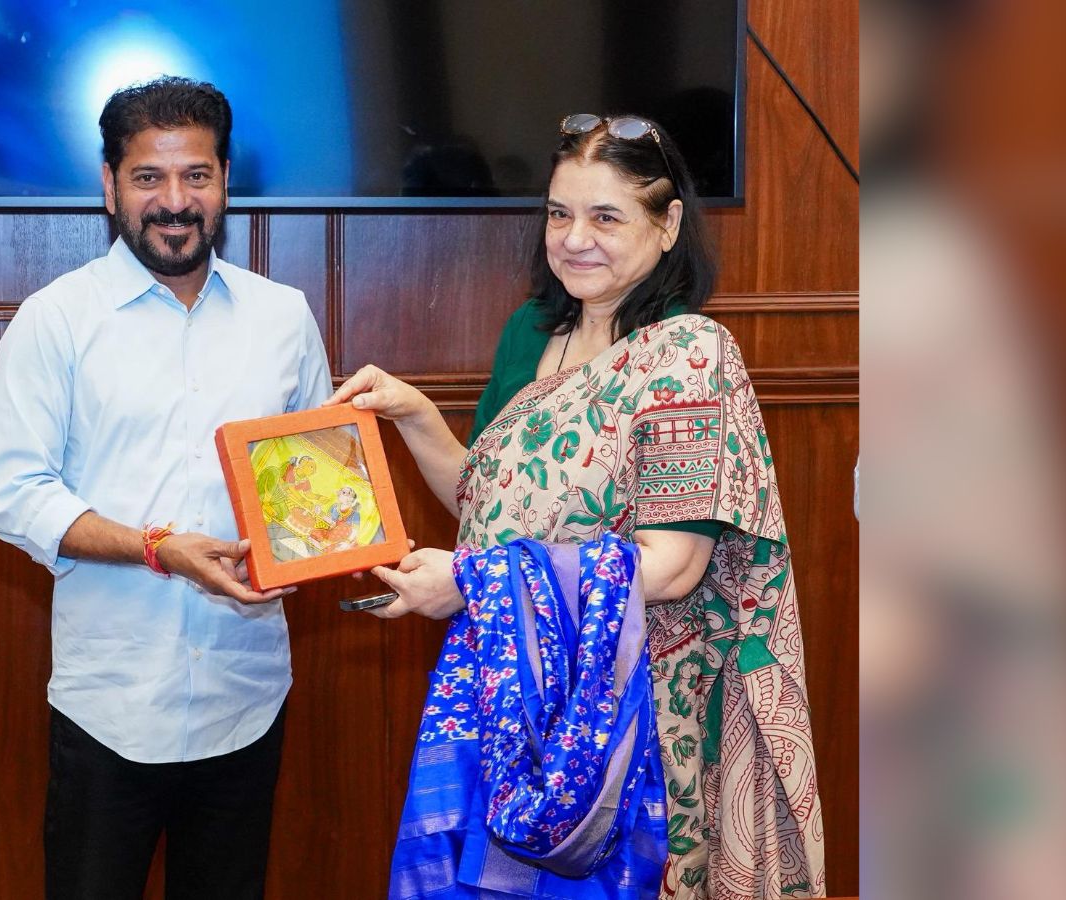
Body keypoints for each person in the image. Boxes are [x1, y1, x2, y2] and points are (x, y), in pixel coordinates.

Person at [326, 114, 825, 898]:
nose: (573, 238)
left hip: (630, 718)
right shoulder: (532, 332)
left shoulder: (687, 354)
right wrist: (415, 413)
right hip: (517, 691)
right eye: (559, 213)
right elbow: (484, 502)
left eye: (606, 216)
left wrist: (471, 583)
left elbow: (673, 567)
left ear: (667, 227)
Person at [0, 76, 332, 900]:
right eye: (149, 177)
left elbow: (314, 486)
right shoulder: (54, 319)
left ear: (225, 182)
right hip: (111, 708)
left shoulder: (284, 318)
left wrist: (347, 557)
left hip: (247, 700)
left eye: (196, 176)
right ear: (109, 186)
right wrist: (156, 548)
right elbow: (15, 494)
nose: (175, 202)